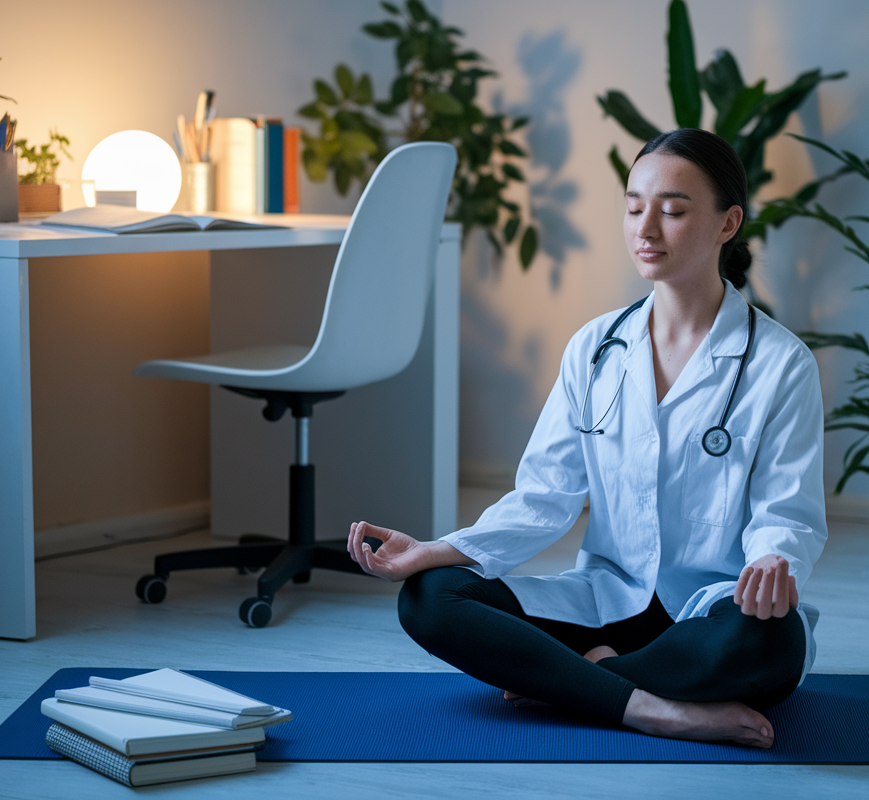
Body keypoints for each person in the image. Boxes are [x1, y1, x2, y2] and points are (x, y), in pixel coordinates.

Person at [346, 128, 826, 749]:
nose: (646, 228)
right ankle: (654, 707)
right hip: (606, 601)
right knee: (430, 598)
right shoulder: (596, 349)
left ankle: (580, 683)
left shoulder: (781, 364)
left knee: (773, 639)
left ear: (727, 223)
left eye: (673, 210)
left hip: (709, 616)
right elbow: (543, 497)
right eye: (634, 207)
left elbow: (787, 512)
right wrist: (437, 550)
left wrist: (770, 561)